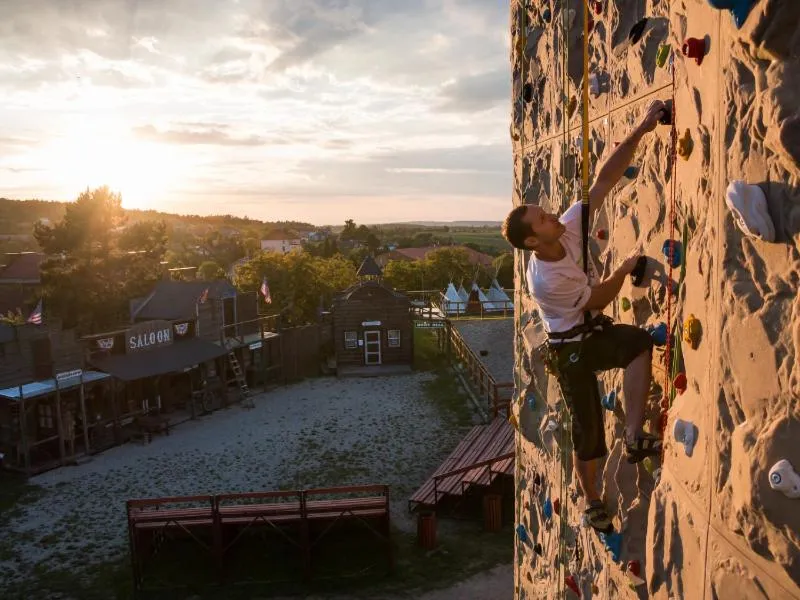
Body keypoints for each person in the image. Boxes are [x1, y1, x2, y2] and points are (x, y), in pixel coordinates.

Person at [501, 100, 667, 534]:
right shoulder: (546, 281)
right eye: (543, 218)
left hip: (587, 329)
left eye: (546, 212)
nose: (553, 216)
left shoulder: (567, 228)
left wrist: (642, 128)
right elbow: (600, 300)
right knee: (588, 431)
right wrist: (626, 268)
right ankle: (592, 501)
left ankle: (633, 437)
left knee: (638, 344)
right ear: (534, 241)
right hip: (569, 349)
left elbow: (604, 180)